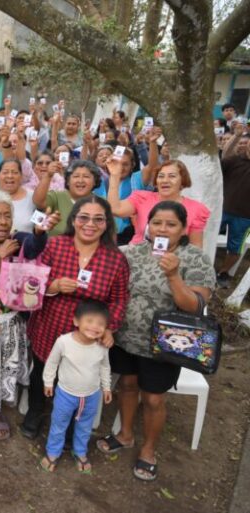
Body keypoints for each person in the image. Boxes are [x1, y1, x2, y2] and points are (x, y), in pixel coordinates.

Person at [96, 201, 215, 481]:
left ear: (183, 228)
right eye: (157, 222)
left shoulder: (195, 258)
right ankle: (125, 434)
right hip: (126, 336)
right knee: (127, 383)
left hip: (165, 344)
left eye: (171, 224)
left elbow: (194, 307)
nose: (162, 229)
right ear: (147, 225)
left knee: (152, 398)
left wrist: (174, 276)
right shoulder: (134, 251)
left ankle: (148, 450)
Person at [21, 196, 130, 438]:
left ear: (107, 223)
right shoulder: (55, 245)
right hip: (50, 322)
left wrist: (110, 326)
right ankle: (37, 410)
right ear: (74, 220)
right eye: (84, 217)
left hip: (88, 334)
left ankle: (71, 424)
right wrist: (54, 285)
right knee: (41, 371)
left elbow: (120, 299)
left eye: (98, 219)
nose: (90, 224)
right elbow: (33, 282)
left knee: (78, 380)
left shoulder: (116, 260)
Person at [0, 190, 56, 442]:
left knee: (4, 369)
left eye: (7, 216)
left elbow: (36, 246)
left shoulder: (21, 239)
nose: (3, 222)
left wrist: (39, 231)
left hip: (13, 323)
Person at [40, 300, 112, 473]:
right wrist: (48, 382)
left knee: (85, 425)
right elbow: (52, 362)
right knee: (59, 423)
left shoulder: (102, 346)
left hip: (91, 396)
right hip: (66, 394)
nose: (95, 327)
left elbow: (104, 367)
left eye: (101, 324)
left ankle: (80, 451)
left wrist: (107, 387)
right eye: (89, 321)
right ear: (76, 321)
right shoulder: (64, 342)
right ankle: (53, 452)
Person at [107, 159, 209, 247]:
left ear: (182, 180)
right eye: (161, 176)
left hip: (173, 264)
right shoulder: (142, 198)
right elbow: (115, 209)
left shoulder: (197, 209)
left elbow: (196, 248)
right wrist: (115, 176)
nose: (165, 180)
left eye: (172, 176)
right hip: (139, 259)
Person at [33, 159, 103, 236]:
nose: (80, 180)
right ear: (68, 181)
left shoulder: (101, 203)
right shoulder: (56, 196)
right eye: (76, 176)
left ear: (95, 181)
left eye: (86, 176)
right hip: (57, 247)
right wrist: (48, 175)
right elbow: (38, 202)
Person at [216, 133, 250, 286]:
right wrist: (236, 135)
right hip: (220, 210)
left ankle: (223, 273)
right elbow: (223, 156)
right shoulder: (235, 160)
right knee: (203, 237)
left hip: (245, 217)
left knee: (235, 248)